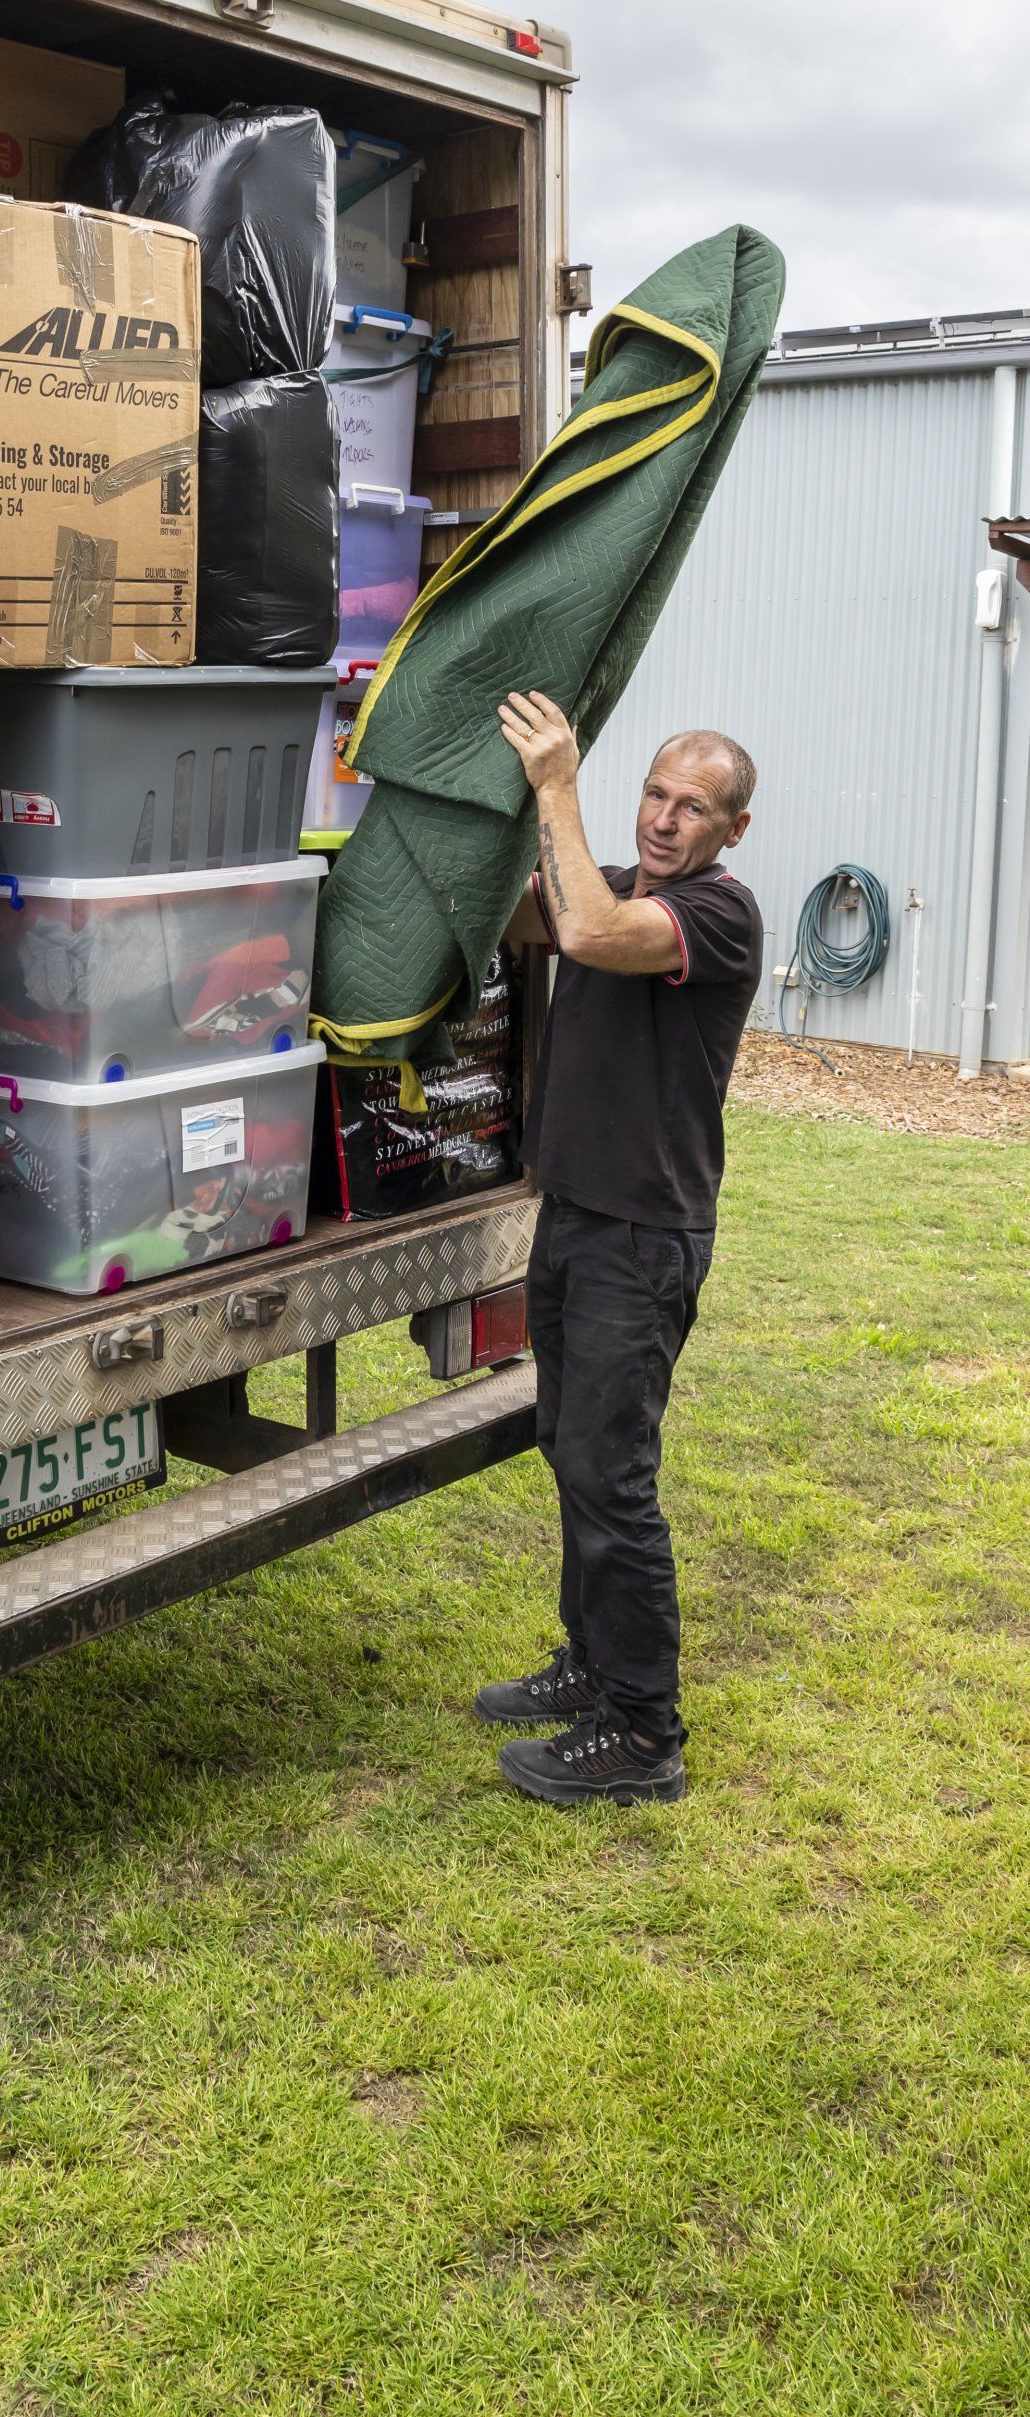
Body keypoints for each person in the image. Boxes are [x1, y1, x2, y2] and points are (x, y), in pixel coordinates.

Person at [476, 692, 763, 1807]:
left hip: (641, 1239)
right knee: (572, 1448)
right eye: (653, 793)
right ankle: (592, 1664)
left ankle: (644, 1735)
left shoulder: (715, 916)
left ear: (733, 830)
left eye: (693, 808)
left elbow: (586, 932)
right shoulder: (623, 892)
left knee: (613, 1475)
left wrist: (557, 783)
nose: (662, 819)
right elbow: (534, 917)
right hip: (578, 1218)